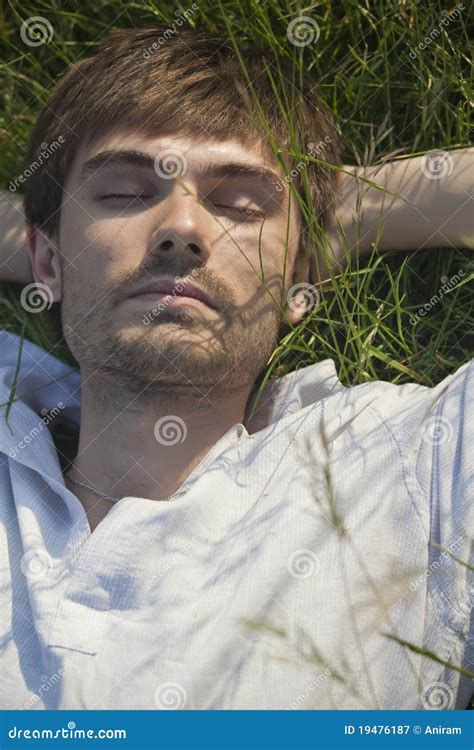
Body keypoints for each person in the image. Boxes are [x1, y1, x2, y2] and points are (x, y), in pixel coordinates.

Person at [0, 24, 472, 711]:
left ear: (300, 278)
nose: (182, 228)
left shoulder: (410, 470)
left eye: (239, 205)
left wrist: (349, 210)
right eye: (125, 194)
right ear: (43, 263)